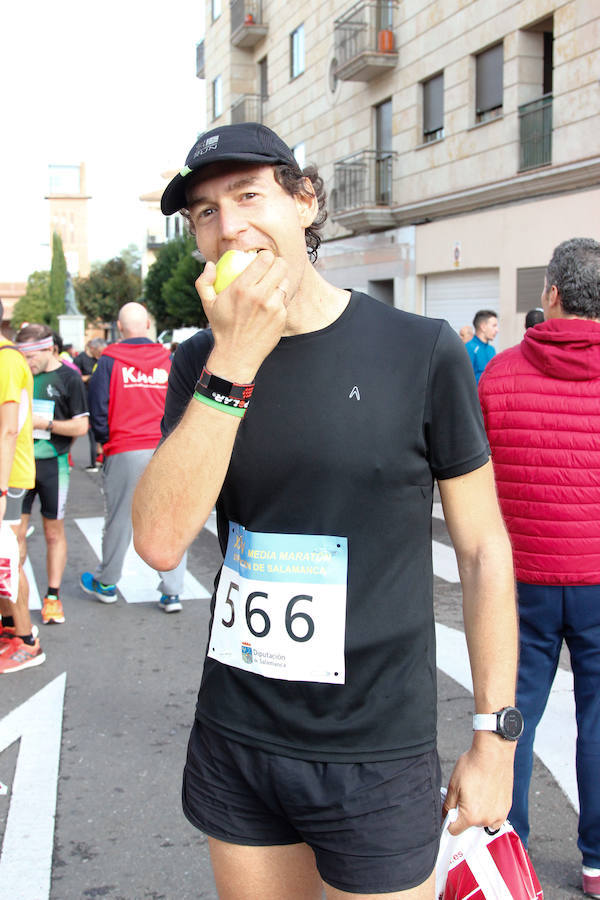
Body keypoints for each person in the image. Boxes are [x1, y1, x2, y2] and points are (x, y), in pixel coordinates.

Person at [131, 122, 520, 900]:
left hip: (375, 748)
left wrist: (495, 740)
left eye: (249, 195)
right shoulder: (197, 362)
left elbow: (480, 551)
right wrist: (234, 360)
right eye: (205, 211)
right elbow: (160, 543)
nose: (229, 224)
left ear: (306, 201)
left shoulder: (422, 349)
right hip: (239, 732)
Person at [478, 237, 600, 900]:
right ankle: (597, 861)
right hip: (599, 577)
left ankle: (509, 846)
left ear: (551, 295)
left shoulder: (498, 376)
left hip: (520, 579)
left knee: (512, 712)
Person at [80, 302, 186, 612]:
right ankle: (172, 591)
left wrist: (104, 439)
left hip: (125, 448)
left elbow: (98, 406)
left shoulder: (109, 361)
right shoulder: (169, 359)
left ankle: (107, 582)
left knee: (119, 519)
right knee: (168, 518)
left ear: (119, 326)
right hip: (164, 448)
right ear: (149, 323)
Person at [15, 324, 89, 625]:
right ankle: (12, 599)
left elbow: (81, 427)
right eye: (24, 357)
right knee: (13, 535)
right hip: (17, 466)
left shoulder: (69, 378)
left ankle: (53, 596)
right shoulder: (19, 373)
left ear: (49, 349)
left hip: (52, 465)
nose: (28, 364)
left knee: (52, 532)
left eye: (32, 357)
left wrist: (46, 424)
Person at [0, 304, 45, 673]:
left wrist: (1, 491)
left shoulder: (6, 360)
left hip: (9, 481)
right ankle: (10, 629)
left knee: (7, 559)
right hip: (8, 478)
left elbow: (9, 429)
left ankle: (28, 641)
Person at [74, 338, 107, 471]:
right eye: (99, 352)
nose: (100, 355)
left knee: (100, 427)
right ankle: (94, 460)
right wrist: (88, 378)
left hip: (97, 398)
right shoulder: (80, 359)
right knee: (91, 432)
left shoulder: (100, 360)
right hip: (85, 398)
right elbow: (74, 378)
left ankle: (101, 458)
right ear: (92, 348)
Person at [465, 309, 498, 383]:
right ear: (483, 327)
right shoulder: (469, 348)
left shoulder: (491, 349)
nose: (497, 330)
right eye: (494, 326)